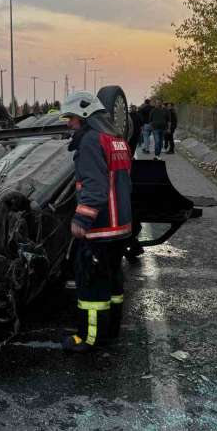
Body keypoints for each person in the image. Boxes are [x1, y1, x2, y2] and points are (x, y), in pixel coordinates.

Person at [58, 91, 132, 352]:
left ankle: (89, 338)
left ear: (86, 115)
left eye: (72, 118)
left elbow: (94, 185)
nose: (69, 124)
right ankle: (110, 330)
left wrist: (81, 218)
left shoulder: (91, 140)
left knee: (91, 288)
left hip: (100, 228)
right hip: (119, 226)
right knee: (112, 283)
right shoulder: (117, 139)